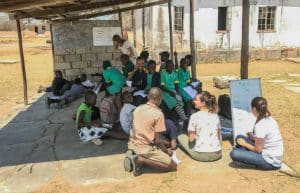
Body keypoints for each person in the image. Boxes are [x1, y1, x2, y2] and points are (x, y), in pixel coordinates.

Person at [124, 87, 177, 176]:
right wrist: (166, 152)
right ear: (158, 99)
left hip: (132, 143)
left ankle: (134, 154)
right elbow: (158, 141)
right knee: (172, 166)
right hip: (145, 148)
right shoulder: (158, 114)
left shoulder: (138, 108)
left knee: (166, 143)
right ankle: (140, 159)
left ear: (148, 97)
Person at [230, 97, 283, 170]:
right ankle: (245, 151)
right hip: (270, 153)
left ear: (254, 109)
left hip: (270, 162)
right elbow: (265, 139)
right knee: (239, 137)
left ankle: (246, 153)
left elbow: (258, 150)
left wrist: (245, 144)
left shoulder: (260, 125)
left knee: (234, 154)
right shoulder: (270, 119)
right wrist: (253, 138)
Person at [178, 91, 222, 162]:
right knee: (218, 131)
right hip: (217, 154)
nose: (193, 101)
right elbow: (218, 135)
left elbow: (191, 139)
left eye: (196, 100)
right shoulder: (215, 115)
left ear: (203, 103)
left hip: (201, 156)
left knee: (180, 136)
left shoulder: (194, 116)